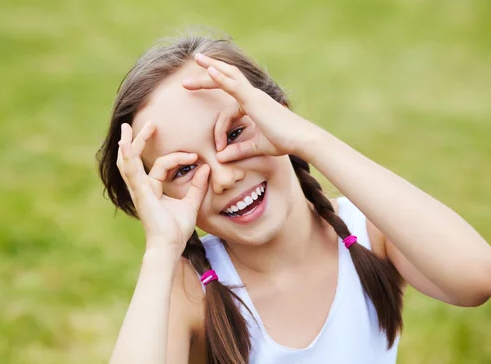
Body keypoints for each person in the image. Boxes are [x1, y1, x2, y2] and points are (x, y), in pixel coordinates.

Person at [96, 34, 491, 364]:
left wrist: (310, 140)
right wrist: (162, 250)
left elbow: (475, 278)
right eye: (184, 170)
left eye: (234, 135)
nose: (225, 177)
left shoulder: (370, 233)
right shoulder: (190, 290)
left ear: (277, 116)